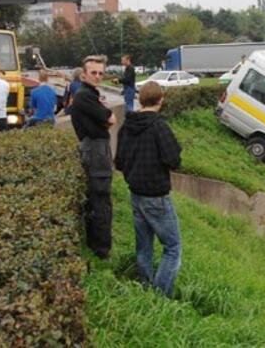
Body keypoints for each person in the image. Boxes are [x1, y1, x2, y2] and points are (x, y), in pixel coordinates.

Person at [116, 81, 182, 298]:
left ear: (140, 100)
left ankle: (145, 288)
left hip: (136, 194)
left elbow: (119, 162)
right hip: (157, 197)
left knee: (144, 247)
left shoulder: (126, 126)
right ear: (160, 100)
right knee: (172, 248)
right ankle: (160, 296)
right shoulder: (159, 126)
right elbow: (173, 160)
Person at [71, 55, 117, 259]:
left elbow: (107, 119)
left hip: (96, 148)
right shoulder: (84, 96)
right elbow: (111, 119)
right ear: (84, 74)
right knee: (101, 199)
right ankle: (101, 250)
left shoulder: (89, 94)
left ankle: (96, 244)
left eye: (101, 73)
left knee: (98, 198)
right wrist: (105, 116)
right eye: (94, 73)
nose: (98, 77)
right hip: (95, 150)